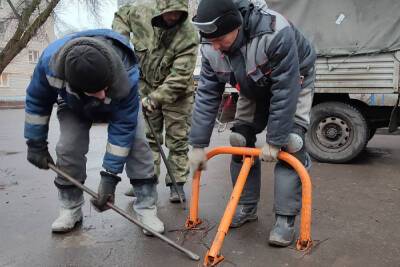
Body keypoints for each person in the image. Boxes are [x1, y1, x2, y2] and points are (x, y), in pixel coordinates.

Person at [188, 0, 316, 247]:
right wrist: (197, 144)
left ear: (236, 26)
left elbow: (285, 89)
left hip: (294, 79)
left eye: (220, 39)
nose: (214, 46)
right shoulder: (210, 45)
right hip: (252, 81)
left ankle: (285, 218)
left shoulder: (274, 31)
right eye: (209, 40)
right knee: (239, 140)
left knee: (291, 143)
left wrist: (275, 139)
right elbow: (206, 94)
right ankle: (246, 206)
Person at [24, 29, 164, 235]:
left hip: (119, 102)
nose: (100, 95)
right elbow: (37, 101)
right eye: (94, 91)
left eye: (103, 87)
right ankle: (70, 208)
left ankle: (146, 207)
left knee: (138, 146)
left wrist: (109, 177)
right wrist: (35, 142)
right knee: (68, 146)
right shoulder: (49, 65)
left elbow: (123, 128)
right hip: (73, 104)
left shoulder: (126, 69)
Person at [112, 0, 199, 203]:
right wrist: (121, 42)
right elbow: (121, 16)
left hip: (177, 93)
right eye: (169, 13)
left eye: (178, 13)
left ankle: (176, 185)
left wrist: (155, 99)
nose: (173, 17)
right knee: (147, 138)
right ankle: (146, 182)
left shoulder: (188, 34)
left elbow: (179, 78)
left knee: (177, 140)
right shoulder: (139, 11)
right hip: (146, 84)